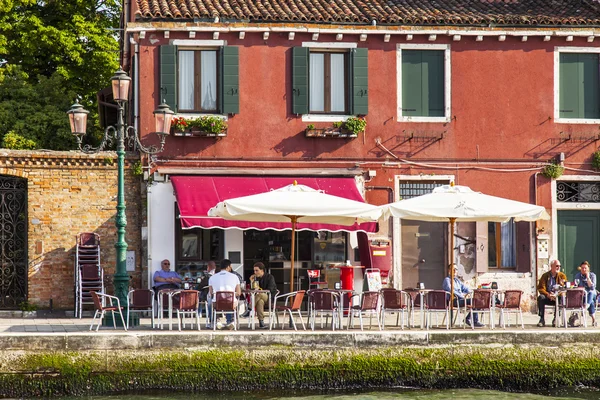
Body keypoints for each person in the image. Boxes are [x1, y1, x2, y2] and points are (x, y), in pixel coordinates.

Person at [208, 262, 241, 330]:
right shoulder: (235, 277)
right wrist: (232, 293)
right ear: (228, 267)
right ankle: (231, 321)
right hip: (231, 303)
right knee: (233, 301)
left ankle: (216, 321)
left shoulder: (212, 277)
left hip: (217, 303)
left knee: (211, 301)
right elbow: (239, 292)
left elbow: (211, 292)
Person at [537, 259, 567, 327]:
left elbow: (564, 288)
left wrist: (556, 295)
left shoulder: (562, 276)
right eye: (556, 266)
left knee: (560, 298)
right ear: (551, 266)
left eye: (559, 266)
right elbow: (541, 288)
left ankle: (555, 318)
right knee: (541, 298)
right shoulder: (545, 276)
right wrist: (548, 294)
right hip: (548, 296)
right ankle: (542, 319)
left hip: (557, 296)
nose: (558, 267)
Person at [249, 262, 278, 329]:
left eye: (256, 270)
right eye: (254, 270)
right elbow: (253, 289)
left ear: (262, 270)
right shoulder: (256, 278)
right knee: (260, 302)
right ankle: (261, 322)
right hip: (261, 298)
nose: (255, 272)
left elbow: (269, 290)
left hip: (270, 298)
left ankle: (249, 309)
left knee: (260, 295)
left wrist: (259, 290)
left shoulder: (270, 277)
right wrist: (252, 281)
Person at [573, 261, 597, 326]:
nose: (584, 269)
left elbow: (592, 287)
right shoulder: (578, 276)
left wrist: (588, 277)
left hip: (592, 294)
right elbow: (576, 286)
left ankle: (586, 306)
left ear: (588, 268)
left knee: (590, 293)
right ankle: (593, 319)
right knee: (591, 301)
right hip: (582, 295)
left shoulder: (593, 275)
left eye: (585, 268)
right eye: (582, 268)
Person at [197, 261, 216, 326]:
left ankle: (199, 313)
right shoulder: (217, 275)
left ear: (208, 267)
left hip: (208, 296)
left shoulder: (207, 276)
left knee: (197, 295)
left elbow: (200, 287)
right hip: (218, 295)